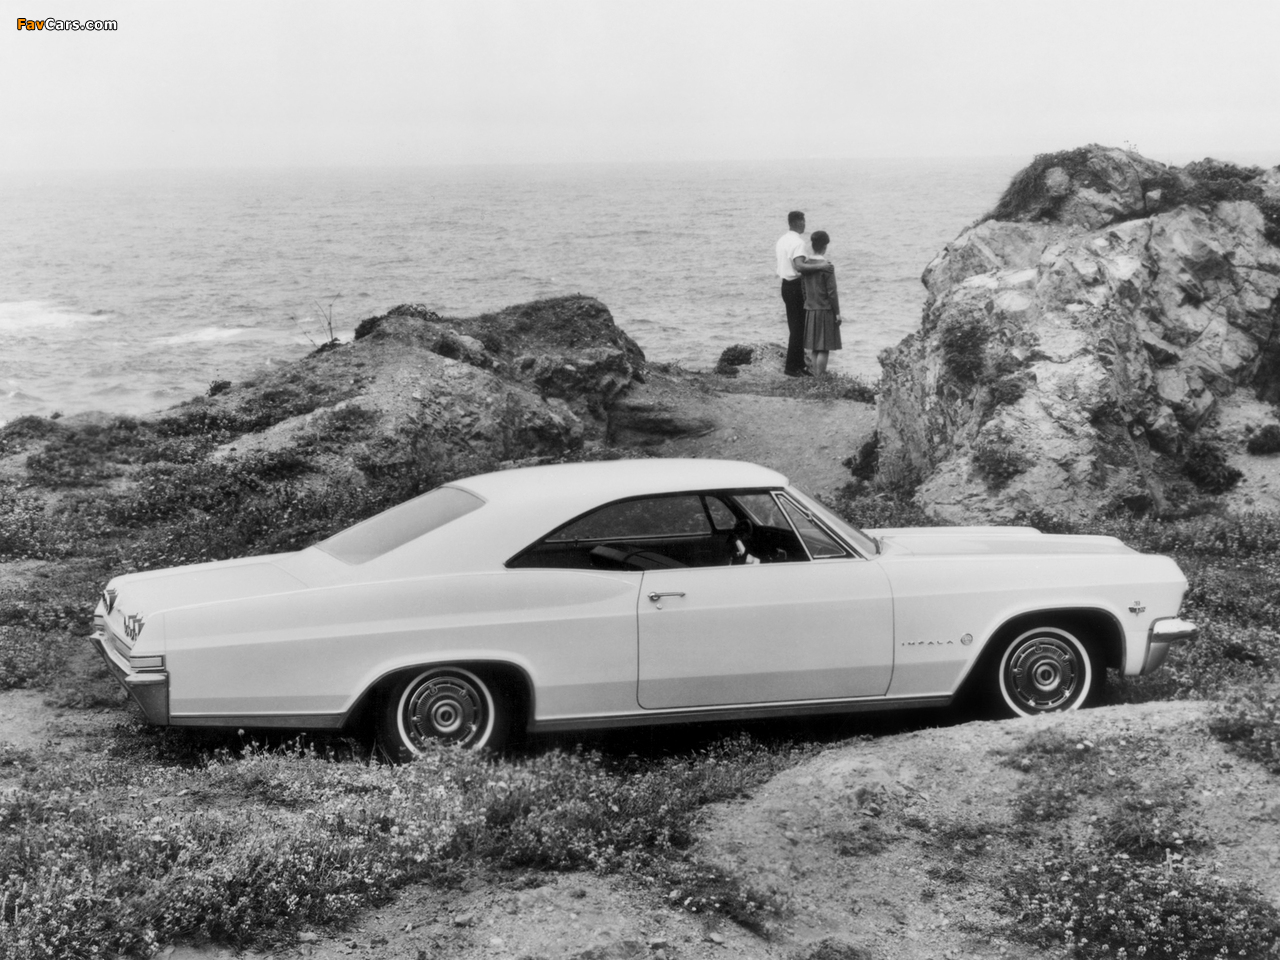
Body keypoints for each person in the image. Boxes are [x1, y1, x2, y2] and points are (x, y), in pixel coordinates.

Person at [775, 211, 834, 376]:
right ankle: (792, 367)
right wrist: (822, 266)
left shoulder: (782, 240)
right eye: (803, 221)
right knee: (799, 328)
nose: (805, 224)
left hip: (785, 286)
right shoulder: (798, 242)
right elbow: (799, 266)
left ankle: (798, 364)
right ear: (799, 222)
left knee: (795, 326)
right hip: (795, 286)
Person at [800, 230, 842, 376]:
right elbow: (832, 292)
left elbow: (803, 288)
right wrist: (837, 313)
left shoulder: (806, 264)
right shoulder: (827, 266)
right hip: (825, 310)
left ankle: (815, 377)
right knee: (824, 347)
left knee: (814, 347)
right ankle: (820, 378)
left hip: (811, 309)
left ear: (812, 245)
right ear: (825, 246)